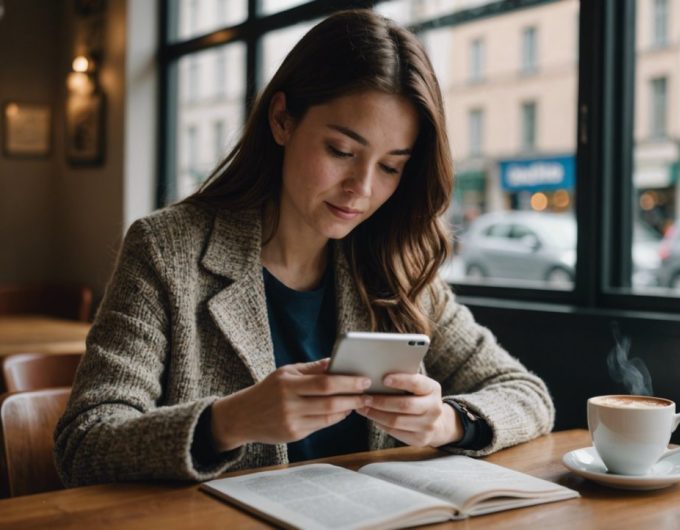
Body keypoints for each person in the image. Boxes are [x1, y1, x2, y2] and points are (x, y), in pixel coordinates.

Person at [54, 9, 554, 487]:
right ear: (281, 120)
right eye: (341, 151)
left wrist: (448, 422)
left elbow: (527, 395)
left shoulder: (398, 267)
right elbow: (85, 442)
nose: (361, 188)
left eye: (390, 166)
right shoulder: (166, 251)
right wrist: (227, 421)